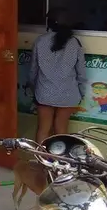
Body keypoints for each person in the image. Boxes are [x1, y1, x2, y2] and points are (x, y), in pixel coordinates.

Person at [29, 8, 86, 144]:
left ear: (50, 23)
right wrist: (81, 94)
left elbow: (33, 71)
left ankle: (42, 161)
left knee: (43, 130)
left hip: (44, 93)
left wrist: (33, 91)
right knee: (61, 130)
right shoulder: (75, 43)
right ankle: (60, 162)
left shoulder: (40, 41)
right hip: (68, 95)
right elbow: (81, 73)